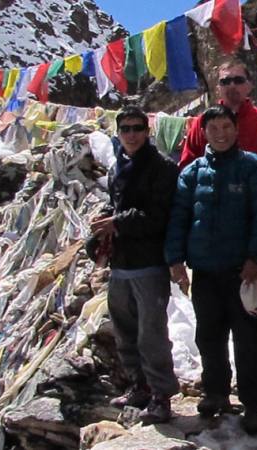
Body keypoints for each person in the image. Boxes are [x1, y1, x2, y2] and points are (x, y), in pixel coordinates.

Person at [164, 105, 257, 435]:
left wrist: (256, 257)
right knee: (209, 337)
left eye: (226, 126)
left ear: (236, 129)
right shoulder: (191, 173)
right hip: (205, 272)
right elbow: (179, 218)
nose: (221, 133)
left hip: (243, 272)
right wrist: (175, 260)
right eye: (213, 128)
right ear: (204, 133)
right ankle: (216, 393)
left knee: (249, 341)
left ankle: (254, 403)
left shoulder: (254, 168)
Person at [88, 106, 180, 424]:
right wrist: (102, 224)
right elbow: (117, 204)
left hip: (150, 263)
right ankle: (138, 385)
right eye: (125, 128)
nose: (131, 134)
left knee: (151, 334)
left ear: (147, 131)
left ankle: (161, 395)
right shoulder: (118, 168)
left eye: (137, 128)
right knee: (125, 332)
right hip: (121, 264)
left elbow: (158, 216)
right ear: (118, 133)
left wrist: (116, 222)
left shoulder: (163, 168)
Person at [178, 60, 257, 169]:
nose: (232, 85)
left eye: (238, 80)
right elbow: (186, 167)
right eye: (225, 81)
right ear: (218, 89)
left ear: (249, 86)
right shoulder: (203, 122)